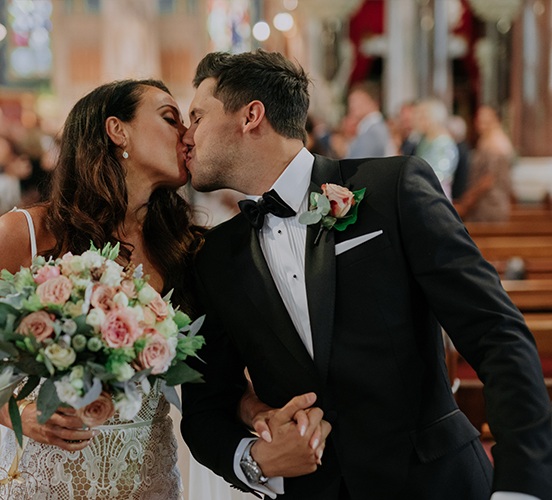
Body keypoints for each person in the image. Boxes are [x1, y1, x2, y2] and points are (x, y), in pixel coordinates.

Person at [180, 50, 552, 500]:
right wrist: (257, 462)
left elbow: (497, 335)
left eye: (196, 116)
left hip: (436, 484)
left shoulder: (392, 189)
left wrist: (521, 487)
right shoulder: (215, 257)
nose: (186, 135)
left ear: (250, 116)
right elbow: (206, 407)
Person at [0, 78, 248, 500]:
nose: (187, 135)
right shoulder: (25, 233)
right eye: (171, 118)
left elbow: (214, 377)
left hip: (146, 481)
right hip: (47, 480)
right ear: (118, 130)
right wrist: (19, 412)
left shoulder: (185, 247)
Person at [455, 106, 514, 223]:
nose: (481, 123)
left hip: (490, 203)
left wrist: (470, 197)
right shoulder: (487, 139)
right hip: (483, 202)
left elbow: (488, 178)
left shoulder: (496, 143)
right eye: (479, 119)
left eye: (486, 119)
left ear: (496, 120)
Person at [414, 98, 459, 200]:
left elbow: (438, 175)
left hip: (436, 196)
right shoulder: (424, 139)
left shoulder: (444, 143)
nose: (419, 120)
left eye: (424, 117)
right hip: (422, 193)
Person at [344, 82, 394, 159]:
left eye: (356, 101)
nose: (352, 106)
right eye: (351, 101)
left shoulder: (374, 131)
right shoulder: (370, 128)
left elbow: (360, 164)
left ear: (371, 102)